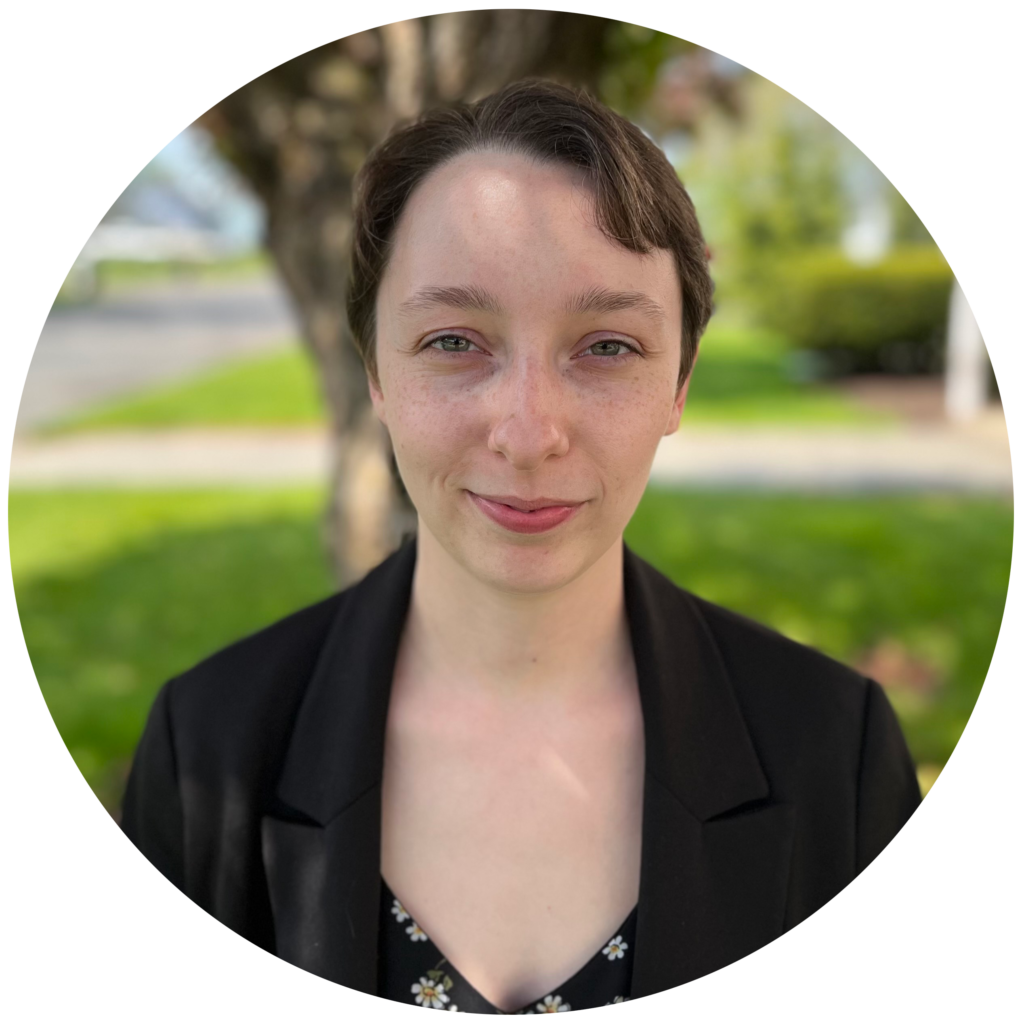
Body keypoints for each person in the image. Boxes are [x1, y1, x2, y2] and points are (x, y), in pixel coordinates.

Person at [121, 80, 921, 1011]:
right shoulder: (206, 750)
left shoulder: (836, 752)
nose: (529, 433)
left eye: (608, 347)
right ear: (376, 372)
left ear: (680, 384)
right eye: (455, 339)